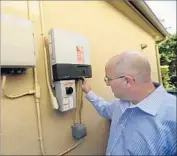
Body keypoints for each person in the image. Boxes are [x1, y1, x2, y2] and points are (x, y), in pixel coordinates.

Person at [82, 51, 176, 155]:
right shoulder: (122, 103)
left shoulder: (172, 116)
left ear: (127, 81)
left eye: (108, 79)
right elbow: (105, 109)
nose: (107, 84)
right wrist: (89, 92)